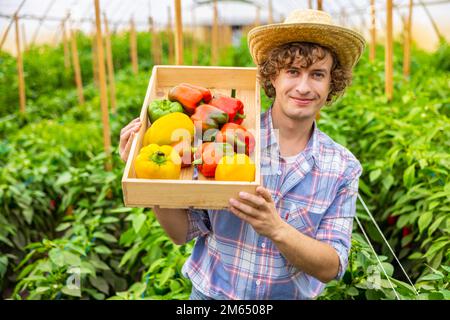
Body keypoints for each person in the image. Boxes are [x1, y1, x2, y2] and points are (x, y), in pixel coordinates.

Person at [119, 9, 365, 300]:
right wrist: (150, 177)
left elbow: (332, 266)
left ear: (330, 85)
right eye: (293, 72)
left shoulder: (342, 167)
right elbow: (181, 232)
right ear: (273, 76)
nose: (303, 86)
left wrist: (276, 229)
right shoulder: (224, 137)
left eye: (318, 75)